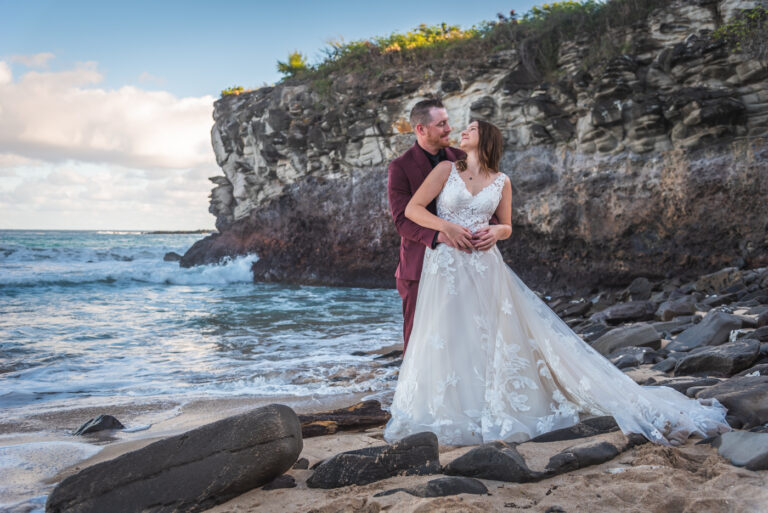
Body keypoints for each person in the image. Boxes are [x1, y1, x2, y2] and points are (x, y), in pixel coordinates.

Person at [383, 119, 731, 447]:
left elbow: (506, 225)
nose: (463, 131)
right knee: (447, 330)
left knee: (491, 332)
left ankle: (490, 400)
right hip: (446, 263)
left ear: (486, 139)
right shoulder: (445, 170)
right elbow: (413, 210)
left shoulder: (502, 181)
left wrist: (496, 232)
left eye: (472, 129)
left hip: (486, 264)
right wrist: (447, 229)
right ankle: (450, 406)